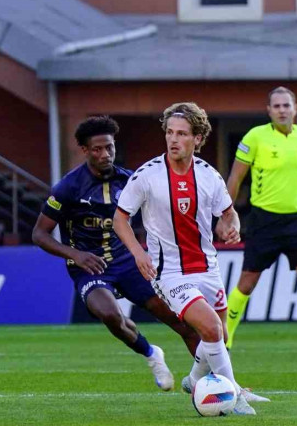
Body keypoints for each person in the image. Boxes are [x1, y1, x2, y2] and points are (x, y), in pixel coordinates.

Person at [114, 102, 262, 416]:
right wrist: (139, 253)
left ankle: (194, 379)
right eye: (169, 132)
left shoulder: (209, 175)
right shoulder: (148, 175)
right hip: (169, 272)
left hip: (207, 267)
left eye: (182, 133)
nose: (173, 139)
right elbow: (120, 219)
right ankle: (235, 396)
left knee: (217, 336)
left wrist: (231, 226)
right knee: (210, 329)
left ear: (198, 138)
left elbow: (228, 213)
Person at [32, 116, 199, 392]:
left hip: (128, 262)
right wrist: (76, 254)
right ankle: (150, 353)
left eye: (109, 147)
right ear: (85, 151)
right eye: (97, 149)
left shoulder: (130, 179)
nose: (104, 154)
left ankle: (213, 380)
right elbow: (39, 234)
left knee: (179, 319)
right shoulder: (68, 188)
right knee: (110, 315)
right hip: (89, 267)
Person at [223, 87, 297, 359]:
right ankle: (225, 339)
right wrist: (226, 214)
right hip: (263, 221)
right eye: (276, 106)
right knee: (246, 284)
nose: (281, 110)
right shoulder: (255, 137)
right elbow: (235, 178)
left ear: (294, 107)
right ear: (268, 110)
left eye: (285, 105)